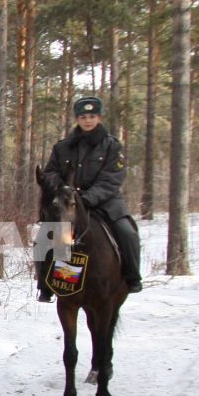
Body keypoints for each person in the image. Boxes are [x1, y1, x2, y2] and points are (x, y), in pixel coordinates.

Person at [38, 95, 144, 300]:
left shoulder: (112, 146)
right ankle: (46, 284)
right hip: (69, 203)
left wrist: (86, 198)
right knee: (45, 237)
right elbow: (50, 172)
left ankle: (132, 277)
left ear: (99, 117)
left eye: (92, 116)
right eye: (83, 116)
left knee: (127, 232)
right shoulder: (63, 147)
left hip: (105, 202)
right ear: (77, 119)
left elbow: (112, 179)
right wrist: (62, 189)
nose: (88, 120)